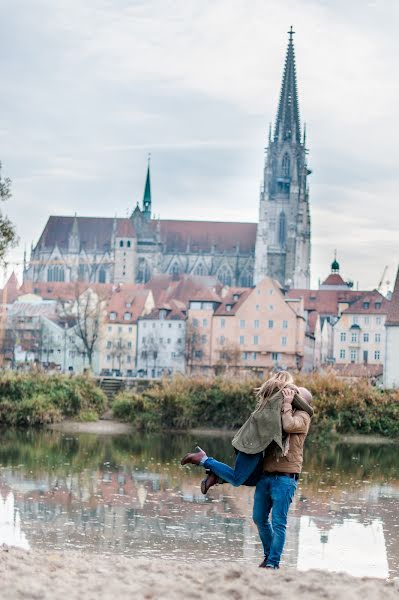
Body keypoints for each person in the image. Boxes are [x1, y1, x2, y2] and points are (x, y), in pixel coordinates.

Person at [180, 372, 313, 570]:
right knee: (259, 518)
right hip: (266, 475)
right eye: (289, 395)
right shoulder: (277, 415)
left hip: (285, 479)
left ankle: (273, 563)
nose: (290, 397)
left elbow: (289, 425)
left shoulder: (302, 417)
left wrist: (286, 404)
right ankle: (268, 557)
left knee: (278, 523)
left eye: (295, 396)